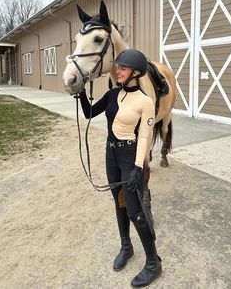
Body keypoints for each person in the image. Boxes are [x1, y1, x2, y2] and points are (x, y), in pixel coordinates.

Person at [79, 49, 162, 287]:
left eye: (123, 68)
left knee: (135, 209)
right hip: (111, 154)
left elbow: (145, 136)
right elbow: (89, 113)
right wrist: (82, 92)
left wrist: (138, 167)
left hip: (129, 156)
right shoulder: (113, 93)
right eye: (118, 67)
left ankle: (154, 263)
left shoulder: (145, 101)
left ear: (136, 72)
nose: (118, 70)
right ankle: (126, 247)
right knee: (119, 202)